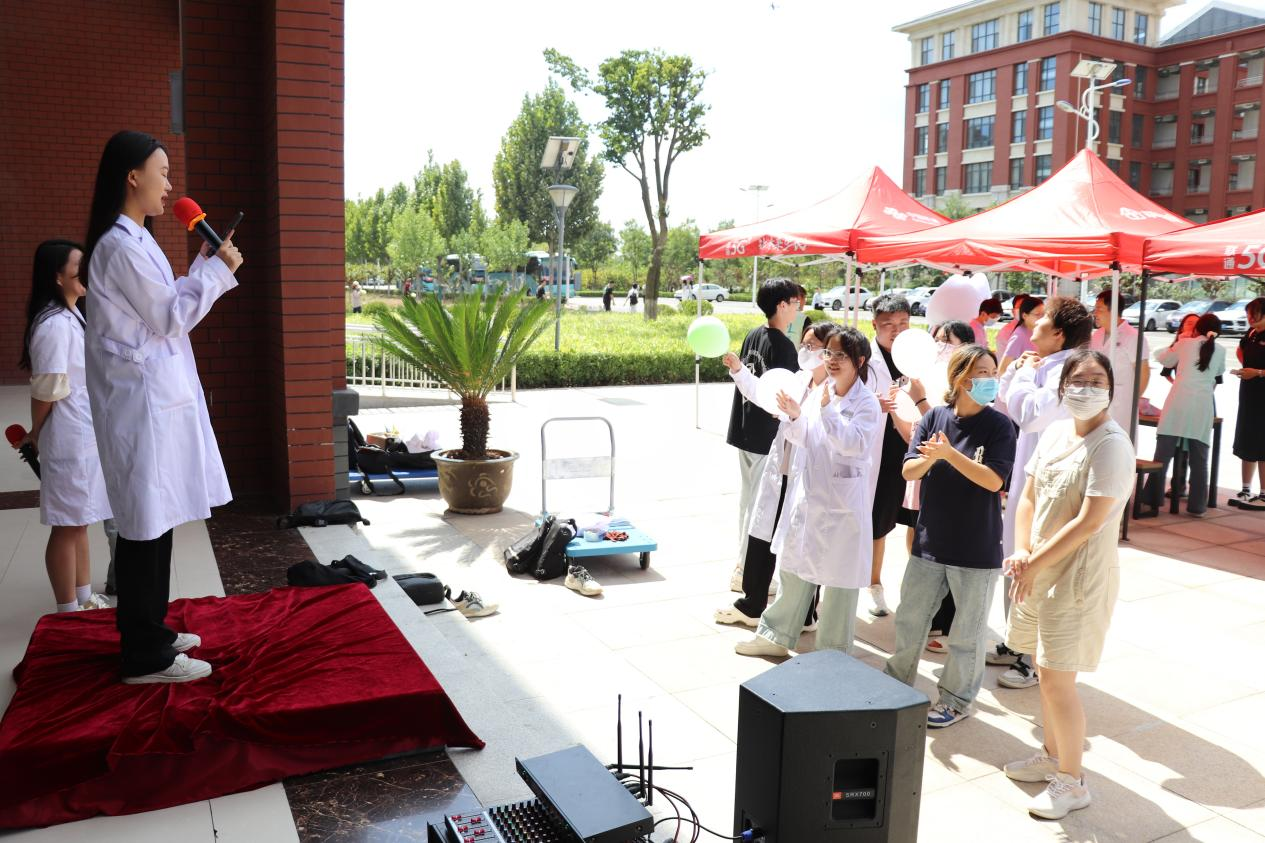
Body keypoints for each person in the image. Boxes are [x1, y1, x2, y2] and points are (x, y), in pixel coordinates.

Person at [82, 130, 243, 684]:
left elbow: (166, 301)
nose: (170, 186)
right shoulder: (120, 245)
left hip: (152, 400)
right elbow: (170, 316)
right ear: (133, 177)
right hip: (138, 404)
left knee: (155, 517)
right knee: (142, 523)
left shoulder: (137, 239)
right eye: (163, 173)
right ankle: (144, 654)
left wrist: (203, 267)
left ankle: (151, 628)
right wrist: (216, 273)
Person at [1002, 349, 1134, 820]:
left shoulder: (1111, 445)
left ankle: (1072, 782)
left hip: (1077, 578)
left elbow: (1089, 522)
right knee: (1043, 668)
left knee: (1059, 679)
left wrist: (1032, 564)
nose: (1086, 388)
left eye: (1097, 381)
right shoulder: (1057, 432)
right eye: (1078, 380)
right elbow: (1028, 497)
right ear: (1062, 388)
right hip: (1040, 568)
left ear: (1111, 390)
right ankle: (1053, 754)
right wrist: (1022, 551)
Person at [886, 345, 1017, 727]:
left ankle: (956, 700)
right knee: (911, 620)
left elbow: (993, 481)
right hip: (930, 543)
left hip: (976, 548)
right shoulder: (935, 418)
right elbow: (909, 470)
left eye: (992, 372)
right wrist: (930, 457)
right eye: (981, 372)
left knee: (966, 635)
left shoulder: (1000, 426)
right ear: (960, 377)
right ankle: (895, 685)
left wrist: (949, 456)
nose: (990, 379)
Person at [734, 326, 883, 658]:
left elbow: (853, 444)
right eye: (828, 353)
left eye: (841, 355)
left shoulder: (867, 403)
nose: (831, 360)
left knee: (839, 585)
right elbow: (805, 437)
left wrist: (827, 412)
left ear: (859, 361)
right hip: (808, 498)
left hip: (842, 509)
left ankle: (832, 653)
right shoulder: (821, 392)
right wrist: (794, 416)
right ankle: (774, 636)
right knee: (793, 568)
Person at [993, 297, 1094, 689]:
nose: (1034, 323)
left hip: (1052, 479)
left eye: (1043, 319)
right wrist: (1017, 371)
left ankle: (1033, 660)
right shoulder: (1045, 365)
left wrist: (1022, 375)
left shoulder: (1069, 371)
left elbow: (1030, 414)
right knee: (1017, 554)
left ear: (1059, 334)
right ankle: (1015, 641)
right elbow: (1006, 399)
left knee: (1038, 561)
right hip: (1031, 473)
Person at [717, 321, 837, 629]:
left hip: (805, 478)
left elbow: (825, 434)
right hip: (781, 470)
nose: (804, 350)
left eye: (812, 346)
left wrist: (796, 415)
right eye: (803, 344)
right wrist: (739, 371)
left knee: (802, 546)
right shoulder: (799, 379)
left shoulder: (832, 391)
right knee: (762, 535)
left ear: (828, 351)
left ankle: (806, 613)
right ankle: (752, 604)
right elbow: (763, 394)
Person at [18, 240, 114, 614]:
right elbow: (48, 388)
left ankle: (84, 598)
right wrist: (35, 432)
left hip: (84, 433)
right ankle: (67, 611)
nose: (86, 273)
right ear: (58, 276)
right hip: (69, 436)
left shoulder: (72, 314)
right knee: (67, 525)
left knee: (80, 519)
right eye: (78, 267)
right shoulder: (53, 324)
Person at [726, 279, 801, 592]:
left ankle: (741, 565)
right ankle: (744, 570)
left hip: (743, 429)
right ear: (782, 305)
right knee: (757, 506)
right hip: (764, 437)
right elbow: (789, 396)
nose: (798, 309)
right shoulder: (783, 346)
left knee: (747, 502)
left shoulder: (753, 334)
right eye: (796, 303)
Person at [1142, 313, 1226, 517]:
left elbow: (1161, 357)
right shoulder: (1221, 350)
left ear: (1197, 328)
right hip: (1202, 406)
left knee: (1162, 455)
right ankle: (1197, 506)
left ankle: (1152, 499)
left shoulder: (1185, 344)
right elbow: (1218, 372)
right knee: (1199, 460)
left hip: (1178, 403)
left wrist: (1181, 339)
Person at [865, 292, 913, 617]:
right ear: (874, 325)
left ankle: (884, 586)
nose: (896, 330)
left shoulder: (916, 356)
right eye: (888, 324)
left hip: (905, 448)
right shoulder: (863, 359)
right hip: (872, 449)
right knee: (871, 520)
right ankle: (871, 583)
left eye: (903, 323)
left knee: (892, 520)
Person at [1091, 290, 1150, 434]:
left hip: (1122, 404)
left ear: (1113, 311)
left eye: (1099, 309)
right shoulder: (1097, 335)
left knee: (1119, 440)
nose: (1094, 313)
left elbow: (1143, 373)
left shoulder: (1133, 337)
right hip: (1097, 401)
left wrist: (1132, 400)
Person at [1230, 298, 1265, 507]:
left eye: (1255, 313)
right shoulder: (1251, 334)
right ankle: (1245, 489)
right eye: (1248, 314)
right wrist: (1245, 370)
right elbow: (1241, 351)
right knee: (1247, 440)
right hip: (1249, 394)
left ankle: (1264, 495)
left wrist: (1259, 372)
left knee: (1262, 444)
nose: (1250, 318)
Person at [999, 296, 1045, 374]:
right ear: (1024, 316)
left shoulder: (1037, 331)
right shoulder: (1018, 336)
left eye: (1043, 314)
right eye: (1037, 314)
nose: (1042, 318)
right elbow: (1002, 369)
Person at [1161, 313, 1200, 382]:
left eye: (1197, 325)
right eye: (1190, 324)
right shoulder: (1175, 348)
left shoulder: (1207, 348)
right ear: (1182, 328)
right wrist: (1176, 384)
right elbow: (1166, 373)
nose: (1193, 327)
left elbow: (1217, 377)